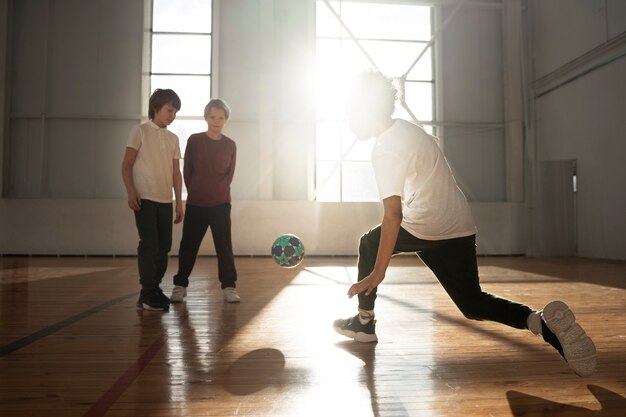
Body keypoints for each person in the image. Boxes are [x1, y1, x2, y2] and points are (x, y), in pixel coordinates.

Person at [332, 71, 597, 377]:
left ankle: (364, 323)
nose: (350, 121)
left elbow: (393, 215)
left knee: (369, 242)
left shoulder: (385, 149)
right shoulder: (409, 130)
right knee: (473, 304)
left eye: (352, 112)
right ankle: (541, 323)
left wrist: (377, 273)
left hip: (424, 225)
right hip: (458, 225)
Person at [170, 99, 240, 304]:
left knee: (224, 247)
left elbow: (230, 175)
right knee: (188, 247)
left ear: (226, 120)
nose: (216, 121)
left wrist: (218, 192)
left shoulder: (230, 145)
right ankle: (180, 286)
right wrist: (196, 191)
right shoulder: (194, 141)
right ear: (206, 118)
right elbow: (188, 170)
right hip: (196, 204)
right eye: (212, 117)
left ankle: (229, 287)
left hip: (221, 205)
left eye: (221, 118)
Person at [122, 88, 184, 311]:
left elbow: (177, 173)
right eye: (169, 110)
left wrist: (179, 201)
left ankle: (151, 289)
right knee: (149, 244)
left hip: (165, 200)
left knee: (164, 246)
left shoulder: (173, 138)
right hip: (144, 198)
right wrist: (131, 192)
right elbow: (126, 165)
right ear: (155, 108)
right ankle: (148, 291)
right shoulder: (139, 131)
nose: (172, 115)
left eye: (175, 111)